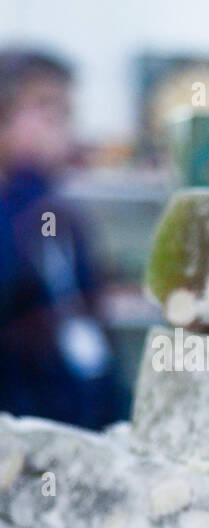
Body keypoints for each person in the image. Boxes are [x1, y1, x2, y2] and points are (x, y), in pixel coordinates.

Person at [0, 48, 115, 427]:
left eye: (66, 115)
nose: (62, 130)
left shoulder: (58, 214)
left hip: (75, 426)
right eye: (48, 114)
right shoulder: (27, 210)